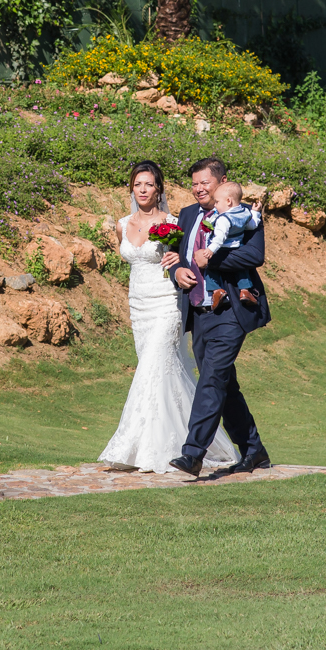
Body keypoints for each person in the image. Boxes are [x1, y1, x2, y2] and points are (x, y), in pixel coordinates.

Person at [97, 160, 240, 474]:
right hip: (139, 305)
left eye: (149, 184)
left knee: (151, 368)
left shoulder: (173, 222)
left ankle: (135, 450)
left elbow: (181, 259)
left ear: (158, 188)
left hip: (166, 306)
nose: (143, 190)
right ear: (132, 189)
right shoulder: (121, 224)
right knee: (159, 375)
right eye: (138, 184)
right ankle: (179, 442)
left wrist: (179, 269)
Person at [162, 157, 271, 479]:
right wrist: (177, 270)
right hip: (199, 312)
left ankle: (192, 455)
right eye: (194, 183)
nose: (198, 189)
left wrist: (211, 257)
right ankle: (254, 451)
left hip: (231, 312)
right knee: (224, 385)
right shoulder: (187, 214)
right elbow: (175, 257)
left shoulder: (243, 213)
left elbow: (255, 255)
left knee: (210, 380)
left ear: (222, 181)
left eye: (204, 183)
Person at [195, 181, 263, 311]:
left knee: (211, 269)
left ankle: (216, 291)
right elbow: (252, 225)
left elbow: (219, 238)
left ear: (228, 201)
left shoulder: (223, 219)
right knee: (241, 269)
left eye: (217, 202)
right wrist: (255, 212)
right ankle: (245, 291)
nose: (215, 205)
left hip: (223, 248)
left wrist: (210, 250)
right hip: (238, 246)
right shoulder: (243, 213)